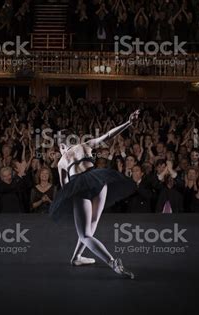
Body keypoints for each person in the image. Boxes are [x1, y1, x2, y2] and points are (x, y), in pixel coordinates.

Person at [49, 110, 140, 279]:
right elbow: (107, 136)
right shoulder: (85, 145)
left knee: (84, 234)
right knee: (91, 226)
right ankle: (76, 258)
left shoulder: (62, 161)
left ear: (62, 146)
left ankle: (112, 262)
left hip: (80, 186)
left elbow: (66, 188)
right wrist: (128, 122)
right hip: (99, 181)